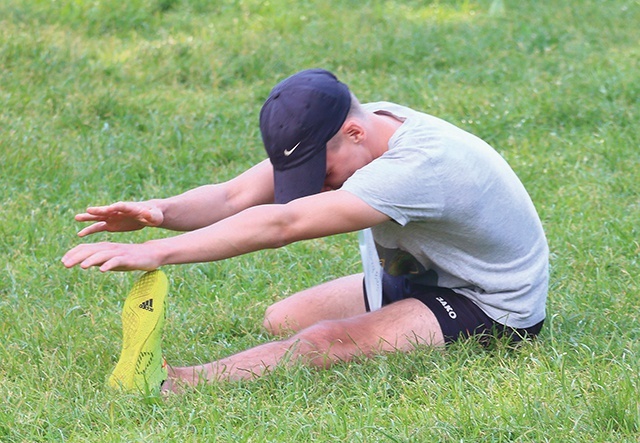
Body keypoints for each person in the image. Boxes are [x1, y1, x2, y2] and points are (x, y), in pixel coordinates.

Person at [62, 68, 548, 393]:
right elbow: (235, 196)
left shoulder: (419, 166)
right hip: (417, 275)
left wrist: (159, 253)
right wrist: (158, 212)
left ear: (355, 133)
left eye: (320, 167)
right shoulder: (358, 123)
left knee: (325, 341)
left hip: (490, 302)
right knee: (282, 319)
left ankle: (183, 383)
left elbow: (284, 222)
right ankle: (401, 307)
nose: (316, 180)